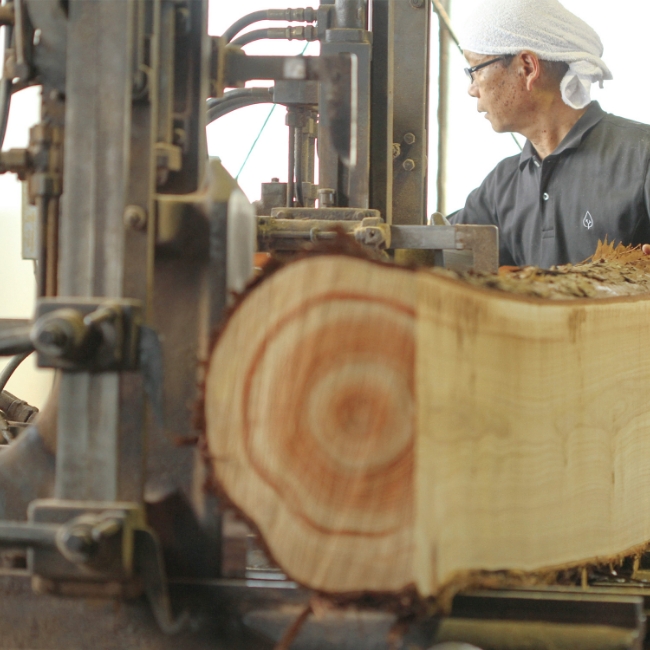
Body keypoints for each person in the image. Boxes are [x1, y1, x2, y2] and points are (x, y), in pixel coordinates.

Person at [449, 0, 650, 267]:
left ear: (528, 68)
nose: (472, 89)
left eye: (475, 70)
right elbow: (433, 252)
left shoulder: (641, 156)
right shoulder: (501, 187)